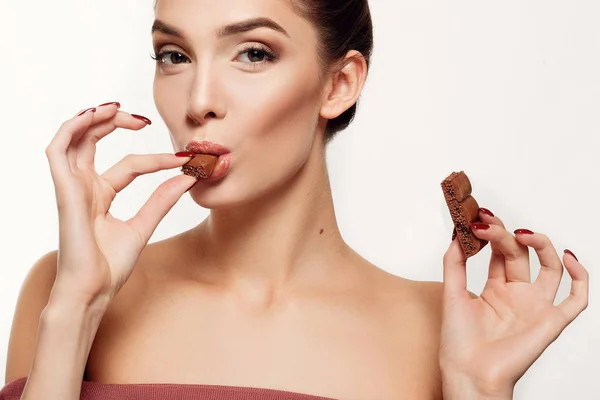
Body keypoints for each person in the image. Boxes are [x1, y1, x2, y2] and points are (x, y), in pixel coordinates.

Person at [1, 0, 589, 399]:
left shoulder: (449, 329)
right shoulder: (66, 291)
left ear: (338, 84)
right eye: (174, 55)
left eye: (253, 53)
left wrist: (476, 391)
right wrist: (76, 309)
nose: (198, 100)